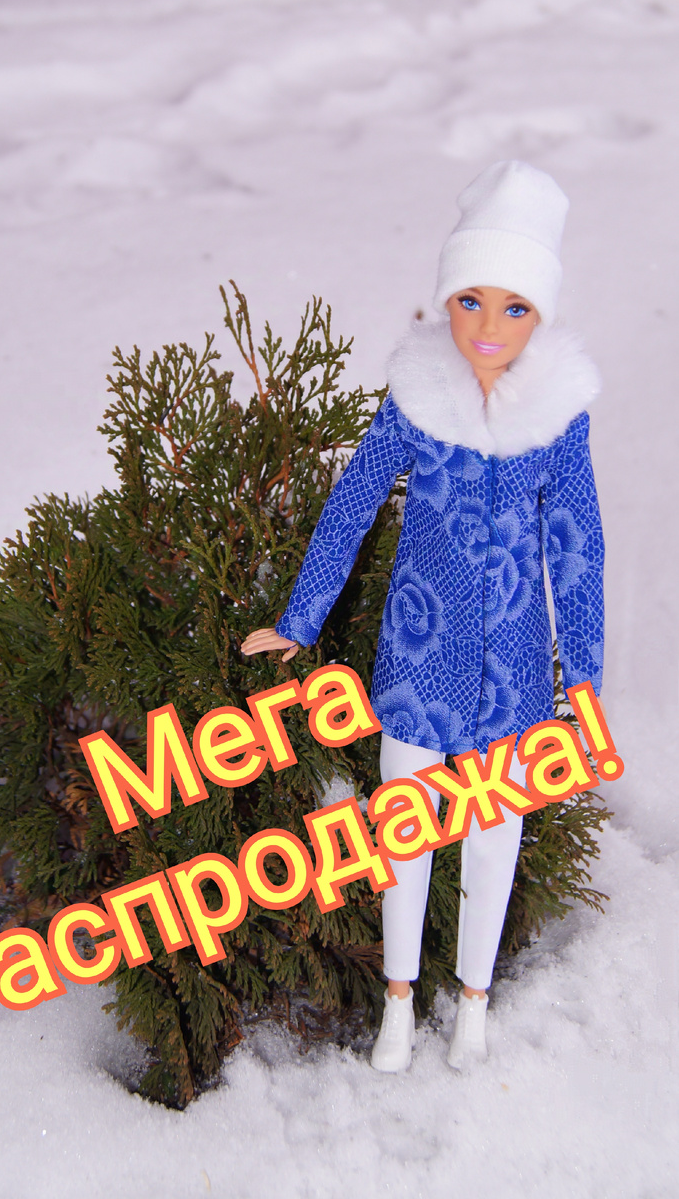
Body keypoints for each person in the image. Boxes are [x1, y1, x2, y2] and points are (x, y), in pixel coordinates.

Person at [241, 161, 604, 1072]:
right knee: (403, 827)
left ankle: (473, 1001)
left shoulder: (556, 418)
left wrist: (584, 676)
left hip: (514, 672)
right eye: (469, 300)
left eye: (513, 308)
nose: (486, 327)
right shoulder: (416, 400)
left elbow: (576, 546)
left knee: (493, 833)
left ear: (541, 315)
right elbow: (352, 502)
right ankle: (397, 1000)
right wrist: (301, 618)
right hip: (416, 652)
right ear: (444, 298)